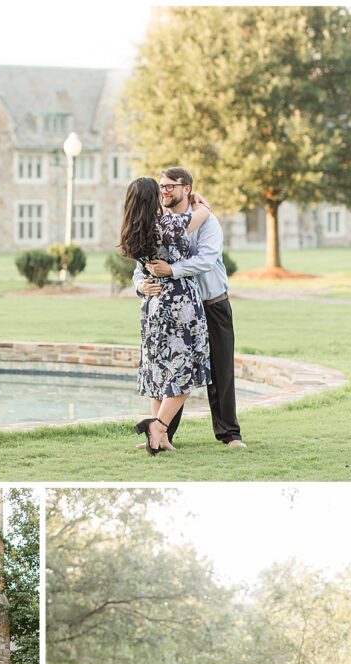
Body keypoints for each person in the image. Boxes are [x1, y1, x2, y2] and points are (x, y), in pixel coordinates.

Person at [134, 167, 246, 448]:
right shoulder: (160, 222)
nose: (165, 191)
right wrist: (141, 285)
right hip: (176, 308)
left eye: (172, 185)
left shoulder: (208, 222)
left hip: (212, 304)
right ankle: (162, 434)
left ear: (187, 189)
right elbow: (141, 266)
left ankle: (229, 434)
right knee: (175, 369)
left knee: (220, 371)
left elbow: (205, 261)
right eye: (162, 186)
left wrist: (171, 270)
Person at [120, 176, 212, 455]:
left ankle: (158, 440)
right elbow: (203, 215)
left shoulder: (132, 231)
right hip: (179, 302)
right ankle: (158, 426)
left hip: (152, 304)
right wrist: (198, 201)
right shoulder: (166, 226)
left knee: (158, 370)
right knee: (187, 369)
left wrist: (141, 285)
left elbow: (140, 268)